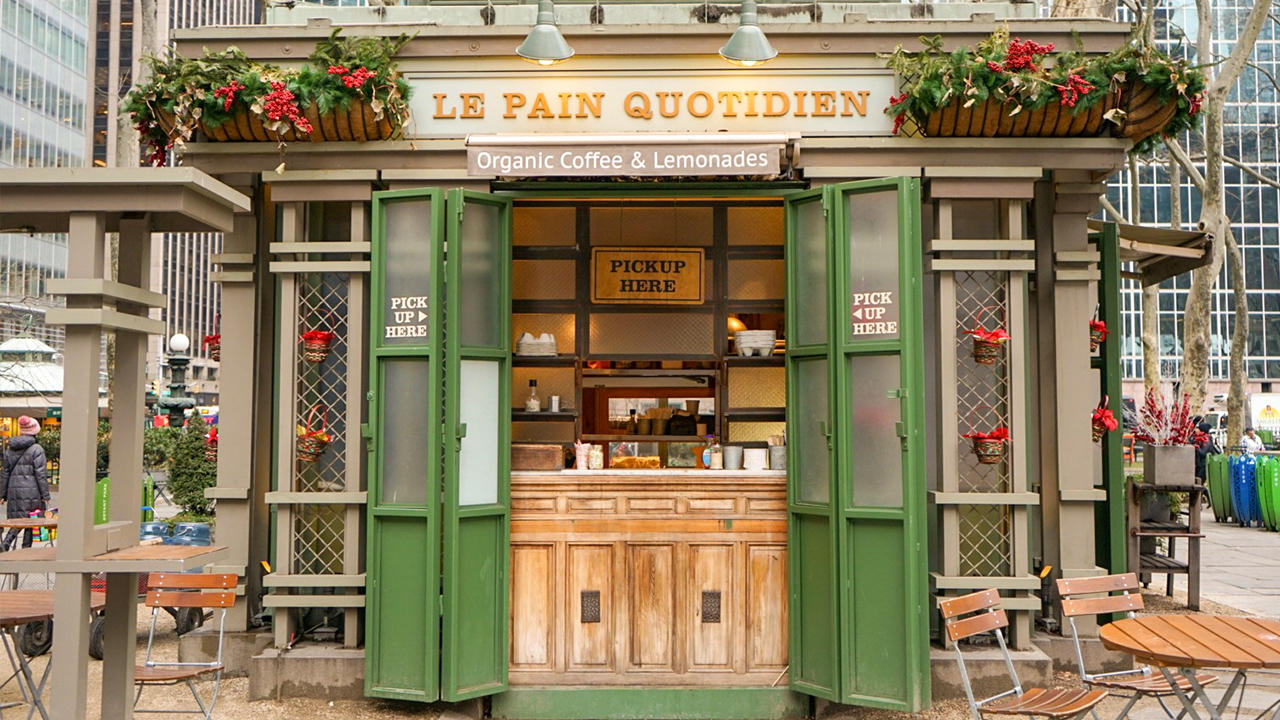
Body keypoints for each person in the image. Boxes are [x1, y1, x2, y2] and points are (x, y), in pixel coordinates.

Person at [0, 416, 49, 549]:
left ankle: (7, 543)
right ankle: (24, 550)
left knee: (18, 520)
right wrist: (45, 495)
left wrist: (2, 495)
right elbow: (41, 474)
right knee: (31, 520)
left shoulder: (10, 449)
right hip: (32, 490)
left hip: (14, 490)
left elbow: (5, 473)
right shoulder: (37, 449)